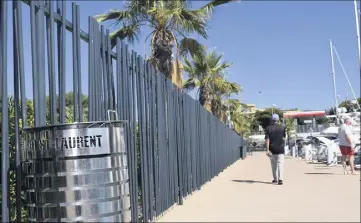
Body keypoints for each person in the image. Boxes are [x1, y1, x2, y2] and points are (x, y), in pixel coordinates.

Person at [265, 114, 286, 185]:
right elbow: (284, 137)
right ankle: (280, 179)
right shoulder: (282, 127)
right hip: (280, 149)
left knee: (273, 165)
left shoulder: (268, 128)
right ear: (278, 120)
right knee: (280, 164)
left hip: (272, 149)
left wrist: (267, 149)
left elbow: (267, 140)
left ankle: (275, 179)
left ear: (272, 120)